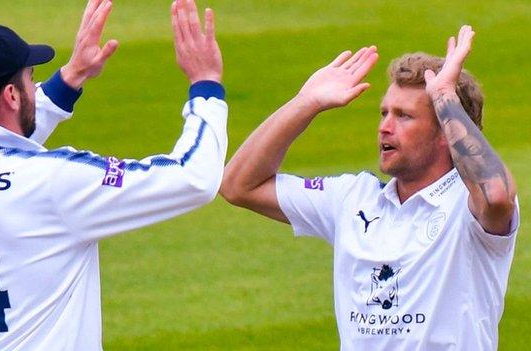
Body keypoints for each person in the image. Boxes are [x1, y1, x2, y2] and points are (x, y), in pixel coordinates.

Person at [0, 0, 226, 349]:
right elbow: (194, 178)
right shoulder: (55, 181)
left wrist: (73, 75)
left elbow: (7, 144)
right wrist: (206, 86)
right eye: (29, 80)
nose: (34, 90)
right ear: (11, 95)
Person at [220, 26, 518, 350]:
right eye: (384, 113)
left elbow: (497, 195)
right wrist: (306, 103)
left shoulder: (469, 208)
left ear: (446, 131)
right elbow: (238, 185)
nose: (384, 127)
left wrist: (445, 95)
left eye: (404, 116)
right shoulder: (353, 199)